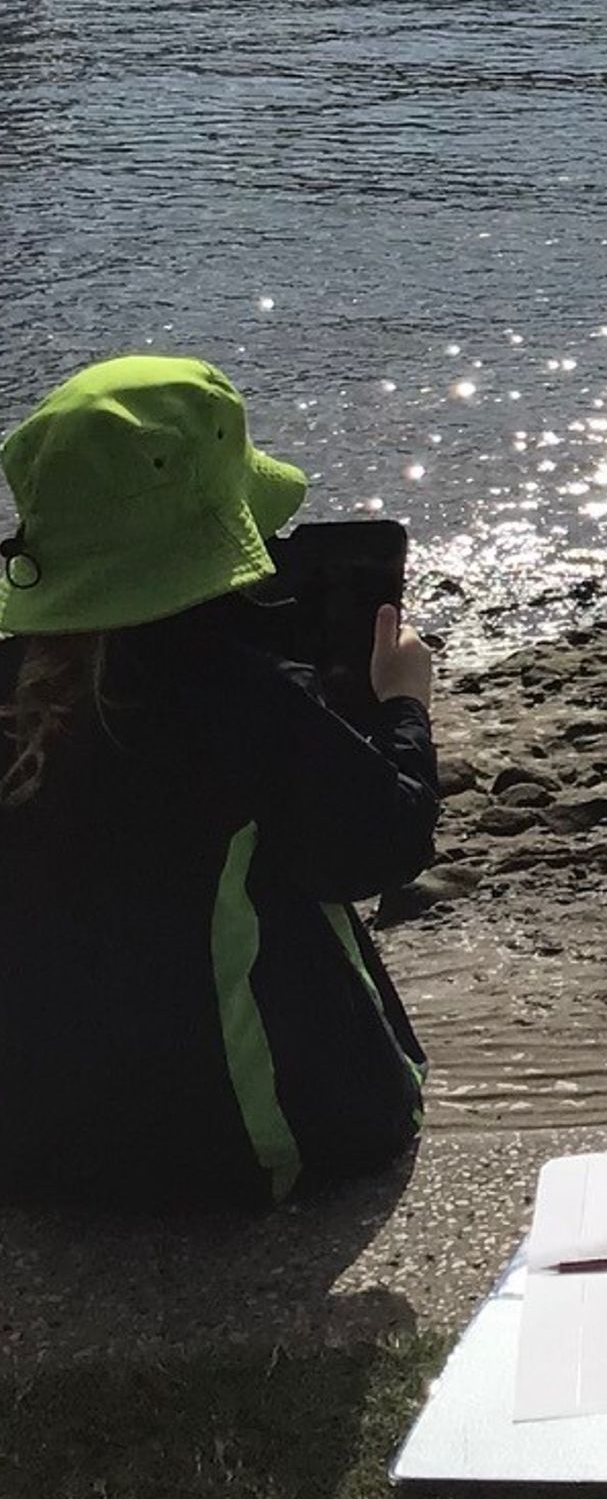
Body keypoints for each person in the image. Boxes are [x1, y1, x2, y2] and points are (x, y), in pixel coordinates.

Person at [0, 355, 438, 1209]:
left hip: (27, 1149)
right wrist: (402, 706)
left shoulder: (14, 689)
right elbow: (383, 847)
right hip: (243, 1142)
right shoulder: (246, 695)